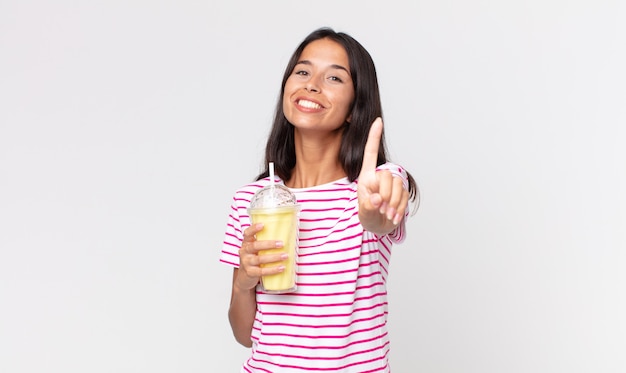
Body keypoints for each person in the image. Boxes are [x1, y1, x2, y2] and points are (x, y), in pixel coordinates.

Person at [220, 27, 419, 372]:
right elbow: (244, 335)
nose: (312, 84)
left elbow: (381, 217)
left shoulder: (375, 186)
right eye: (302, 71)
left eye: (334, 78)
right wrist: (243, 282)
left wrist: (374, 214)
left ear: (354, 109)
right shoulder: (251, 200)